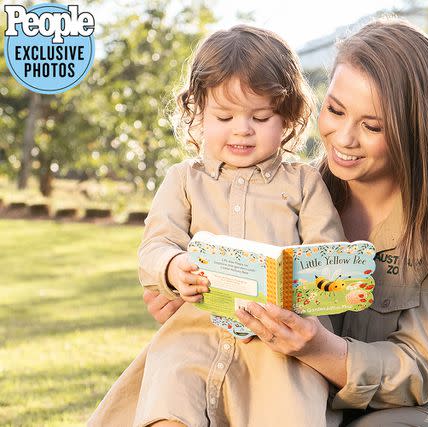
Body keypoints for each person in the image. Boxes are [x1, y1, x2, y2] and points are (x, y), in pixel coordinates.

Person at [92, 18, 428, 427]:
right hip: (320, 397)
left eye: (371, 125)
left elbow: (417, 372)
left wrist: (317, 346)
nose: (344, 137)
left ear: (414, 130)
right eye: (335, 110)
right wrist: (187, 293)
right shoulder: (293, 188)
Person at [89, 25, 345, 427]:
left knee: (287, 410)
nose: (242, 128)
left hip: (278, 341)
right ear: (199, 114)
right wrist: (172, 268)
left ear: (288, 117)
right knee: (170, 401)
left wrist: (301, 284)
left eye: (261, 117)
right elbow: (155, 245)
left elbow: (328, 254)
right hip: (195, 331)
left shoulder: (303, 184)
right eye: (224, 116)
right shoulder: (183, 180)